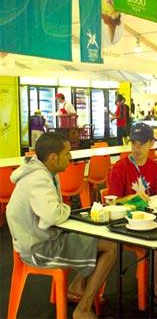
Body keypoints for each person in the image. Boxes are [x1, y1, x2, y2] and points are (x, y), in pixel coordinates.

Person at [6, 132, 117, 319]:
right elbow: (53, 215)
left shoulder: (45, 172)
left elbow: (51, 216)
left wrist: (59, 211)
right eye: (67, 153)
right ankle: (82, 309)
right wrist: (64, 208)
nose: (71, 157)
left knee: (102, 240)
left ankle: (76, 287)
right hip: (38, 249)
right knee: (111, 248)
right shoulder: (39, 179)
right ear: (53, 158)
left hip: (40, 239)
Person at [108, 122, 157, 299]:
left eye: (142, 143)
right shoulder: (119, 168)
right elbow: (111, 204)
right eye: (134, 143)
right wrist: (132, 199)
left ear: (152, 143)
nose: (137, 148)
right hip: (128, 223)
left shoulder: (156, 169)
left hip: (152, 219)